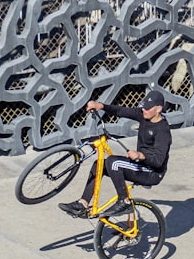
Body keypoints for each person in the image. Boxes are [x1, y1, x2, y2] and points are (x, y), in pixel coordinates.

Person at [58, 89, 171, 218]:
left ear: (158, 109)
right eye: (143, 107)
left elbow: (159, 160)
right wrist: (101, 106)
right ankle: (83, 204)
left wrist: (141, 156)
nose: (144, 110)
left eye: (148, 108)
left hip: (152, 172)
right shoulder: (144, 115)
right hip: (140, 164)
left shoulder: (163, 131)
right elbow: (121, 111)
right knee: (99, 165)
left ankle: (124, 201)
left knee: (113, 162)